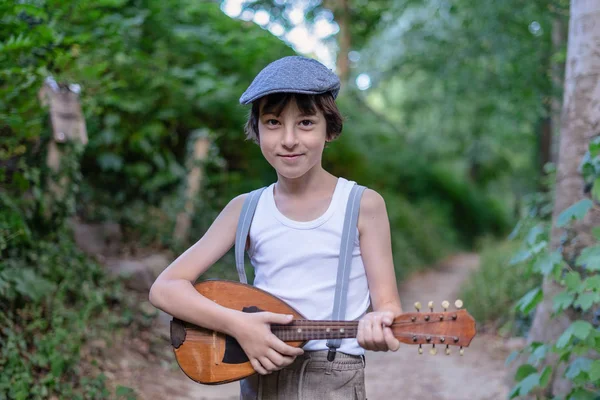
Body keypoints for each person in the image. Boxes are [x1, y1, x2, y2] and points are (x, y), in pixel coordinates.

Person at [149, 55, 403, 400]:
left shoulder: (362, 205)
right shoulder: (246, 209)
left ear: (330, 128)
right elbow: (165, 288)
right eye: (273, 122)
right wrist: (237, 324)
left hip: (333, 381)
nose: (288, 139)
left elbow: (388, 305)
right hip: (259, 375)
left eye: (306, 123)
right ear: (256, 129)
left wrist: (380, 323)